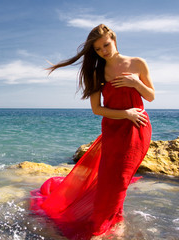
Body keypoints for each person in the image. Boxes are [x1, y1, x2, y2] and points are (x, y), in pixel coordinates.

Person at [30, 24, 154, 239]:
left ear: (113, 39)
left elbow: (150, 96)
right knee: (110, 181)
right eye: (98, 49)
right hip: (114, 129)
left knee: (120, 180)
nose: (104, 51)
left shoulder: (137, 63)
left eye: (106, 45)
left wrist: (135, 82)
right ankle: (116, 223)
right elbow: (97, 109)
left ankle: (101, 229)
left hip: (137, 129)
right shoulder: (98, 72)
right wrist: (126, 113)